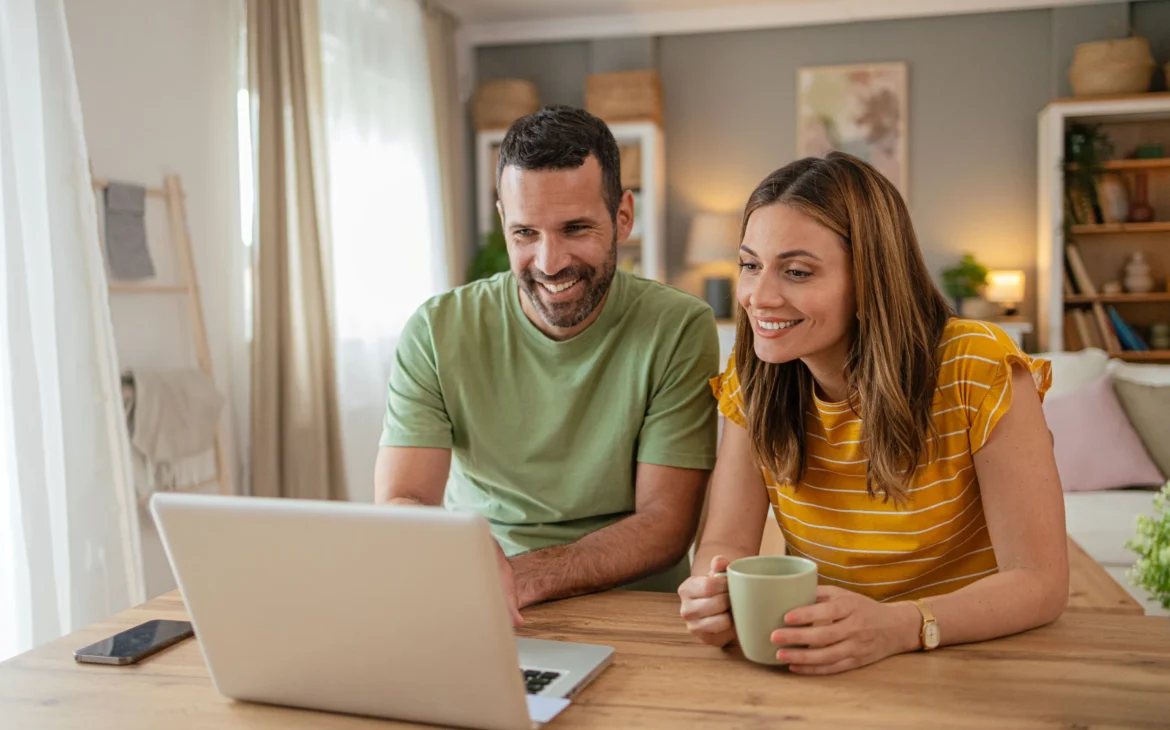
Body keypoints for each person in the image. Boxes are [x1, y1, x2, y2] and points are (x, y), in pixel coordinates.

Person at [679, 153, 1068, 675]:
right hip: (830, 658)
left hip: (969, 658)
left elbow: (1039, 582)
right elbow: (725, 543)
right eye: (750, 265)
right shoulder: (752, 378)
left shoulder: (978, 366)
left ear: (871, 279)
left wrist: (900, 626)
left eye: (796, 271)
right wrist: (712, 591)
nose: (757, 296)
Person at [376, 105, 719, 627]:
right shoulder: (436, 330)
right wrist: (473, 570)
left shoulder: (678, 327)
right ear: (503, 223)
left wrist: (520, 577)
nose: (549, 261)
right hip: (485, 602)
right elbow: (402, 500)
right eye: (525, 234)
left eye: (575, 228)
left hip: (632, 608)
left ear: (623, 216)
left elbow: (666, 524)